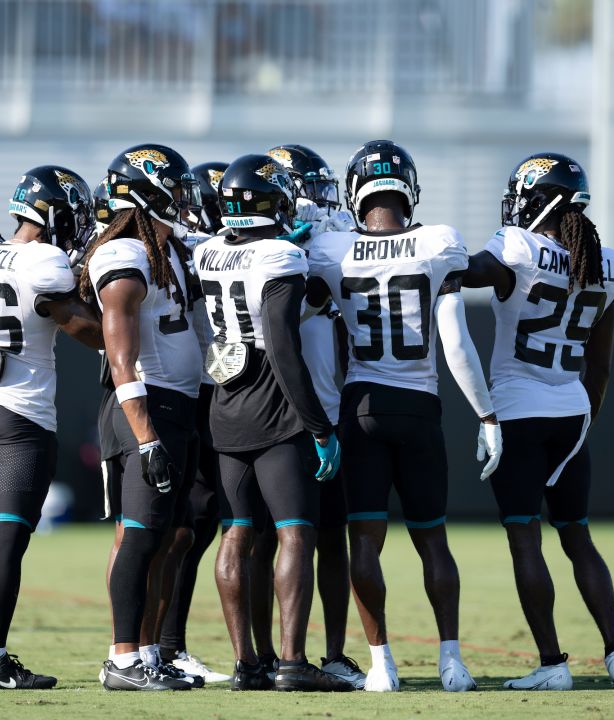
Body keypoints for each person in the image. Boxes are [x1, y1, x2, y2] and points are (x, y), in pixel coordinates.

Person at [303, 139, 501, 693]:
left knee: (362, 542)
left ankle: (380, 665)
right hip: (419, 407)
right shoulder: (437, 242)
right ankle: (451, 662)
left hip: (360, 405)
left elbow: (303, 315)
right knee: (432, 540)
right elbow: (456, 342)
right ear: (408, 189)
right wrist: (487, 416)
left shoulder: (329, 248)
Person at [461, 151, 614, 691]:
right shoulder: (607, 263)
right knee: (578, 538)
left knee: (525, 541)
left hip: (519, 411)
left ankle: (552, 662)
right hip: (571, 413)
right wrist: (582, 420)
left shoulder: (516, 247)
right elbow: (602, 364)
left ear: (540, 202)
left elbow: (467, 272)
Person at [194, 153, 352, 693]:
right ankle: (291, 661)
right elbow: (285, 348)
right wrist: (320, 427)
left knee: (236, 533)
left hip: (224, 397)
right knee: (295, 534)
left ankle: (246, 664)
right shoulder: (282, 255)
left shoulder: (209, 250)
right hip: (271, 400)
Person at [0, 165, 103, 690]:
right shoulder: (46, 261)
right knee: (11, 541)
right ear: (54, 213)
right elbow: (89, 331)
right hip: (22, 416)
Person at [81, 144, 205, 691]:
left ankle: (149, 653)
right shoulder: (124, 255)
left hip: (178, 406)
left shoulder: (167, 247)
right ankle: (122, 659)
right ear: (145, 193)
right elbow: (120, 356)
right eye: (173, 190)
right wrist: (146, 435)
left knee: (165, 538)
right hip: (144, 409)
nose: (182, 200)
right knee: (138, 534)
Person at [263, 143, 365, 688]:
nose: (320, 200)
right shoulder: (268, 251)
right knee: (273, 537)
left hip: (332, 404)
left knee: (331, 536)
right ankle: (270, 656)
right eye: (311, 187)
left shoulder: (328, 241)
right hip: (286, 415)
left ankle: (331, 652)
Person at [155, 161, 233, 684]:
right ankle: (162, 644)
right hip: (197, 394)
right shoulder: (193, 247)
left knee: (205, 526)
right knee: (189, 523)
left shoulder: (200, 247)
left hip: (219, 392)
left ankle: (166, 643)